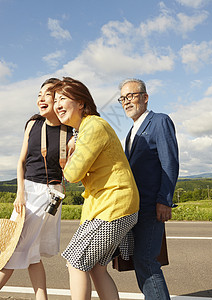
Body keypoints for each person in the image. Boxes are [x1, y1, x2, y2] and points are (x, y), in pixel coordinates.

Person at [0, 78, 73, 300]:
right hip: (28, 191)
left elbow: (72, 172)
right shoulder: (32, 124)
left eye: (47, 94)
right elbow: (21, 161)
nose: (41, 98)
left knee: (14, 248)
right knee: (27, 252)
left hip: (51, 194)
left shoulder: (69, 132)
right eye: (38, 94)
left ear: (58, 99)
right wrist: (20, 192)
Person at [51, 77, 139, 300]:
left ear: (81, 102)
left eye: (63, 98)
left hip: (113, 206)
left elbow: (72, 174)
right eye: (55, 100)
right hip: (109, 206)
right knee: (96, 268)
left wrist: (70, 151)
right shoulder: (84, 130)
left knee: (75, 262)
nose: (57, 105)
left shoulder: (93, 126)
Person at [118, 78, 179, 299]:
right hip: (136, 207)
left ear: (145, 97)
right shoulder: (131, 132)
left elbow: (169, 163)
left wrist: (164, 199)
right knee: (141, 261)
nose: (126, 102)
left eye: (131, 96)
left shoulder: (159, 121)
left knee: (146, 260)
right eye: (123, 98)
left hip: (152, 206)